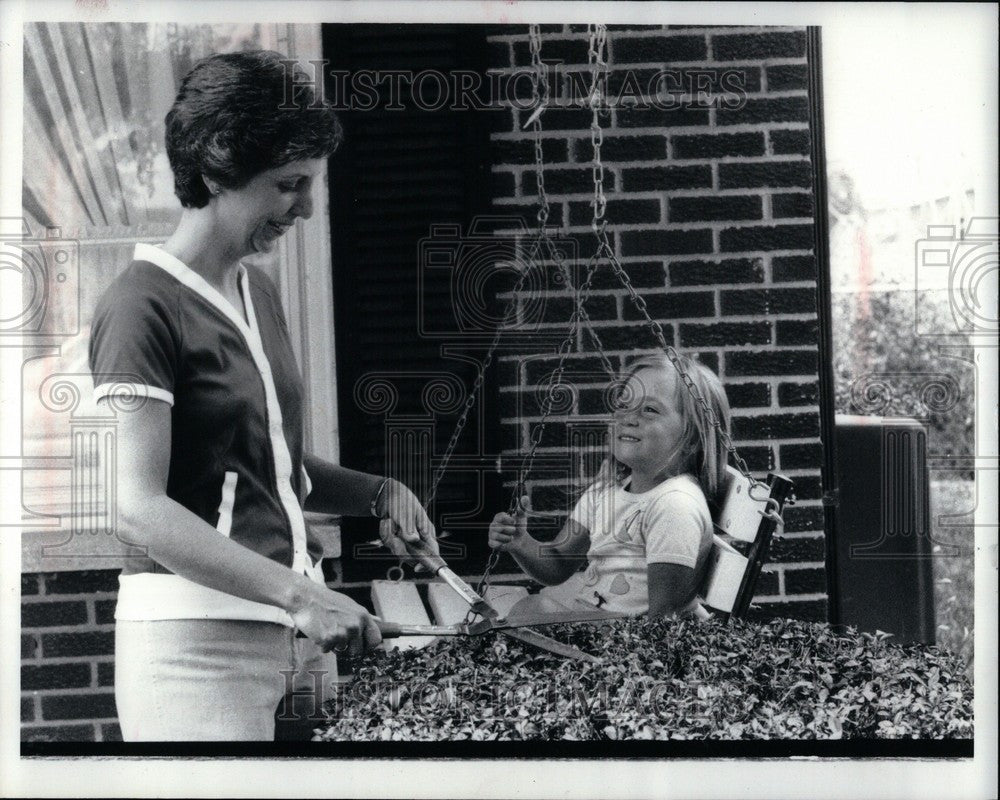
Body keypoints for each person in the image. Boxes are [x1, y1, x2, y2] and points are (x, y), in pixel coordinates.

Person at [88, 50, 438, 741]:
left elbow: (267, 474)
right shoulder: (140, 305)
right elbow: (137, 507)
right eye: (288, 184)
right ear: (220, 165)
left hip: (299, 645)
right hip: (197, 650)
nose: (306, 208)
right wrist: (304, 594)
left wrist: (378, 494)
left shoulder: (259, 292)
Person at [488, 354, 730, 618]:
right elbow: (557, 563)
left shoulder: (674, 505)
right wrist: (521, 543)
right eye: (624, 405)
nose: (628, 417)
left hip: (630, 646)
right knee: (538, 605)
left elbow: (663, 621)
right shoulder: (606, 491)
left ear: (691, 438)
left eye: (650, 409)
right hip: (598, 627)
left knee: (534, 610)